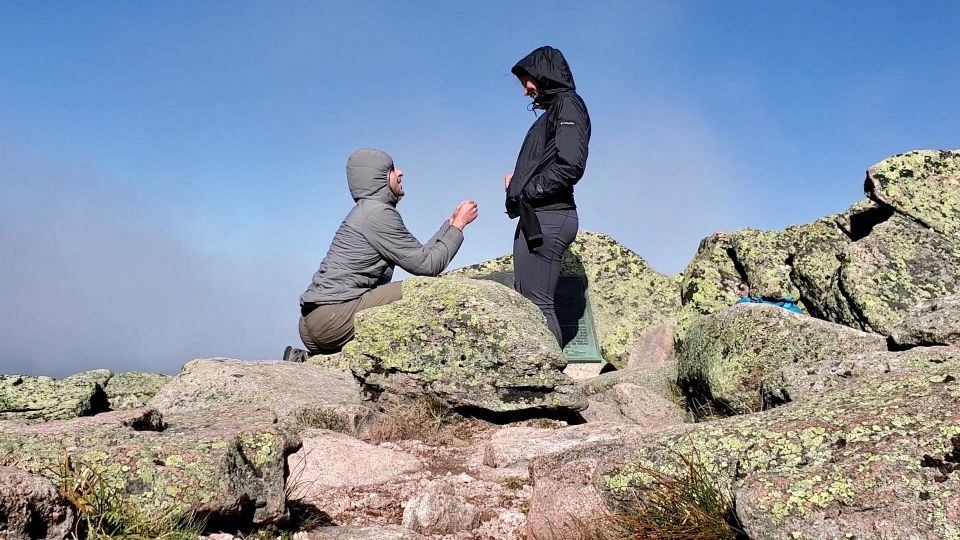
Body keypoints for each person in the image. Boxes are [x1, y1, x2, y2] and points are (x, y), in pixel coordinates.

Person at [286, 148, 478, 361]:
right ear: (378, 178)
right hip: (332, 319)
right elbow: (427, 266)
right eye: (392, 169)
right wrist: (459, 225)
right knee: (423, 293)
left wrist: (449, 225)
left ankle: (308, 359)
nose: (400, 173)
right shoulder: (377, 214)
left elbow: (418, 255)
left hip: (316, 321)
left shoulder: (368, 211)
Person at [504, 45, 591, 344]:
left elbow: (570, 166)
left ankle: (550, 382)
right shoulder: (555, 111)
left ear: (542, 74)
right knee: (529, 301)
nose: (525, 90)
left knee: (536, 306)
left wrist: (526, 189)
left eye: (526, 81)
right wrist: (519, 184)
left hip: (549, 215)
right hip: (539, 215)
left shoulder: (568, 105)